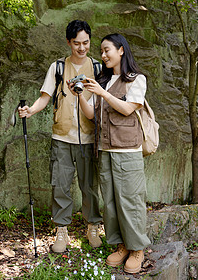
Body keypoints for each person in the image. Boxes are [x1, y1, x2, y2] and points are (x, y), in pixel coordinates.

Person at [68, 33, 151, 274]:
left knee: (130, 200)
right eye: (102, 52)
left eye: (107, 50)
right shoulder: (103, 80)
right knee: (111, 202)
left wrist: (103, 94)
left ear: (121, 50)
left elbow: (127, 109)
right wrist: (81, 95)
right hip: (104, 150)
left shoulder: (137, 79)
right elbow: (92, 115)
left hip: (127, 151)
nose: (103, 55)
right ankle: (121, 245)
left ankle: (137, 248)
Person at [18, 20, 102, 253]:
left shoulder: (97, 68)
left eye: (86, 43)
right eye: (77, 43)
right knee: (61, 186)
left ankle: (93, 225)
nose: (82, 48)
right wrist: (31, 111)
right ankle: (62, 230)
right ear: (68, 42)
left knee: (90, 186)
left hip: (89, 138)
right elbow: (45, 97)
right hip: (62, 137)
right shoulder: (57, 67)